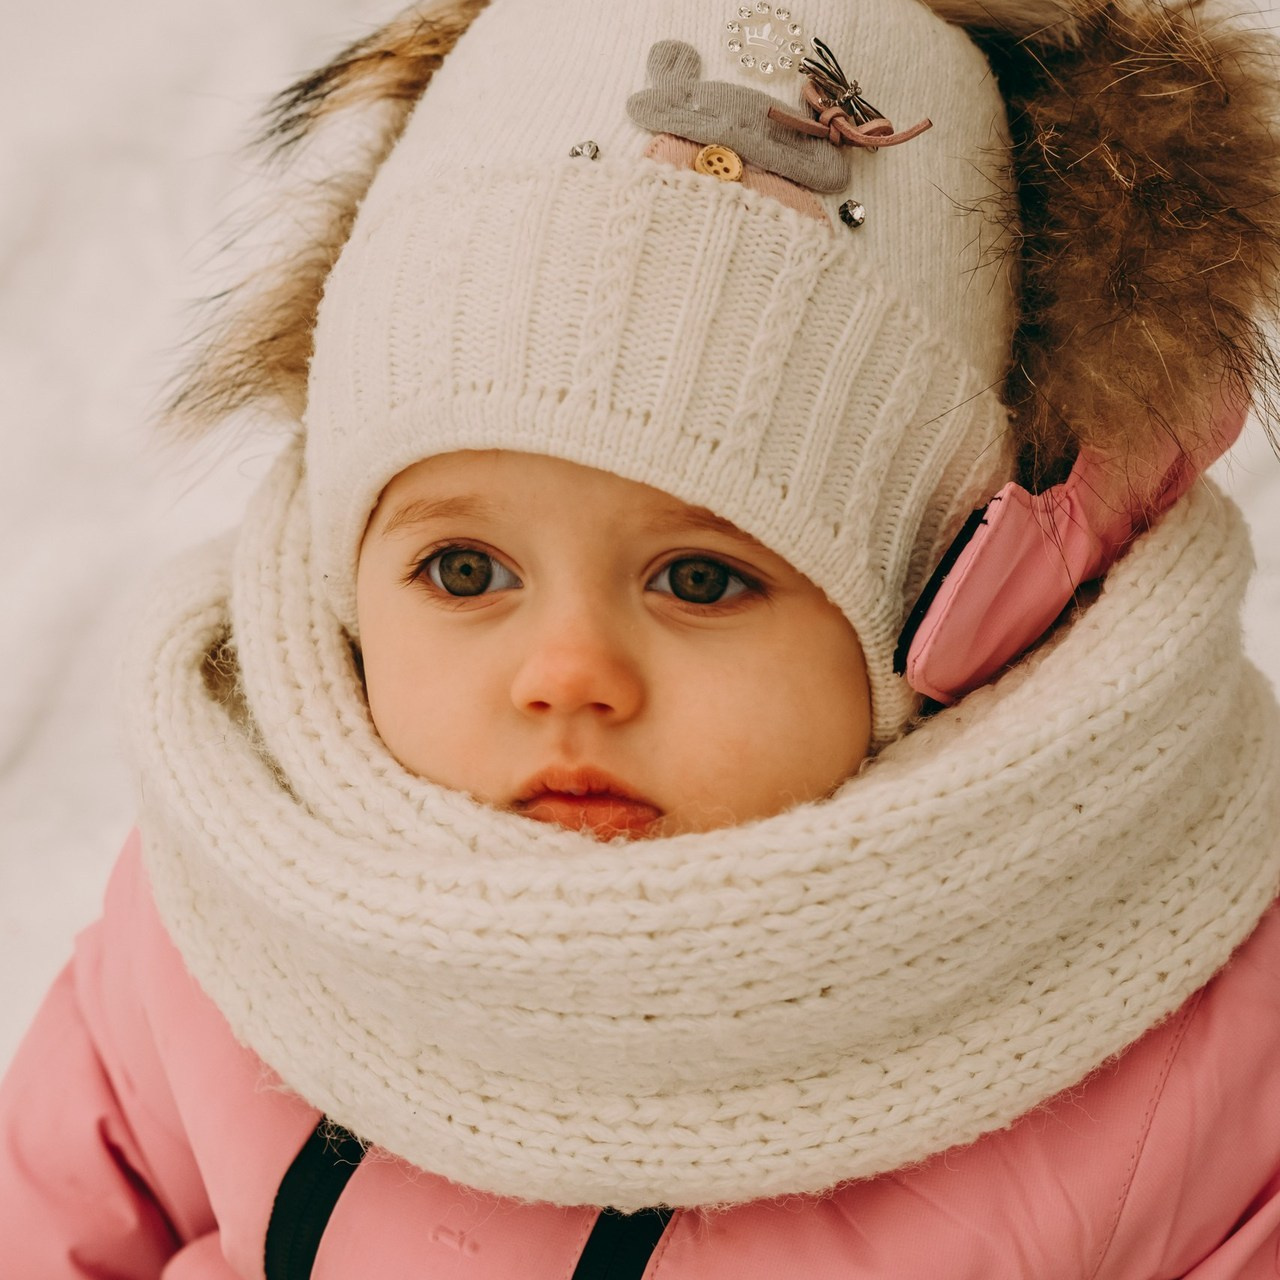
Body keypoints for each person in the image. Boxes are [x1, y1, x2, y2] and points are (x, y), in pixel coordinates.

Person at [3, 0, 1280, 1274]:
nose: (568, 675)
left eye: (701, 579)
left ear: (945, 616)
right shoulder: (234, 902)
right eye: (464, 568)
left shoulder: (1176, 1028)